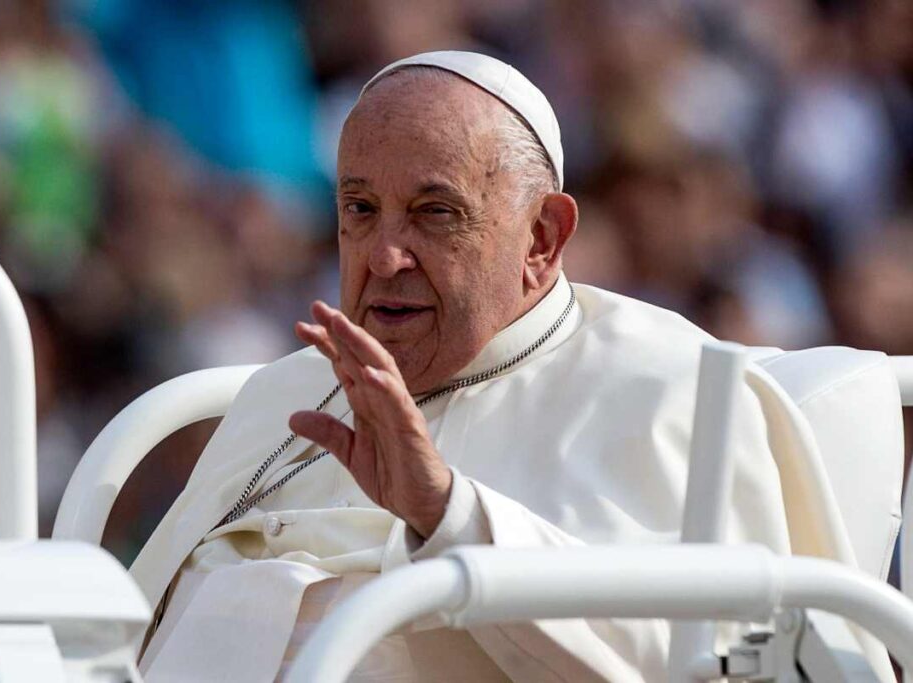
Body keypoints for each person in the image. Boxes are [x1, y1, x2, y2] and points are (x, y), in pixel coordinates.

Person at [129, 51, 790, 682]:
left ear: (542, 237)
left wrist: (449, 513)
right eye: (360, 209)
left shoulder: (669, 388)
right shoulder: (292, 387)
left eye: (434, 213)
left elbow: (705, 657)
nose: (384, 256)